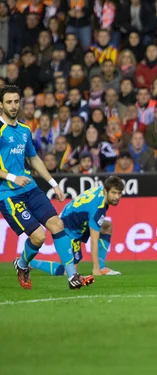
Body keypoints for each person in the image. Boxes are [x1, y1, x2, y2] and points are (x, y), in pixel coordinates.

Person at [0, 85, 94, 290]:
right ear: (1, 104)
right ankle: (22, 264)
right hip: (8, 194)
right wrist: (12, 177)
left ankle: (73, 277)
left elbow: (34, 159)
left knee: (57, 225)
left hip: (30, 188)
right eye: (9, 102)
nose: (13, 106)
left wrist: (53, 184)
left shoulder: (24, 130)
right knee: (39, 237)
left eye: (16, 101)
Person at [30, 177, 124, 277]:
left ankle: (102, 267)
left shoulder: (101, 191)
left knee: (106, 226)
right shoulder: (98, 208)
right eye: (114, 193)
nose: (117, 197)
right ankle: (31, 263)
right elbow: (94, 241)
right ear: (106, 191)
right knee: (70, 273)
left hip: (75, 220)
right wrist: (95, 270)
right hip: (68, 229)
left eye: (119, 193)